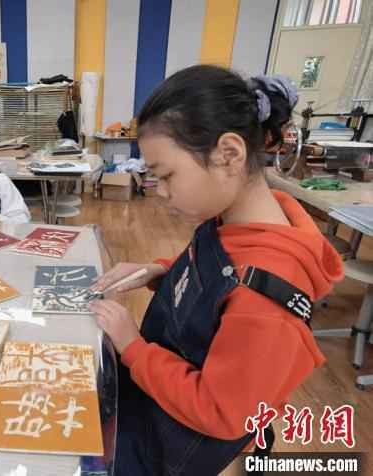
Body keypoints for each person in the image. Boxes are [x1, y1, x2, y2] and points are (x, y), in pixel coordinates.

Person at [88, 65, 344, 475]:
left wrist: (133, 347)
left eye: (167, 175)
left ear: (229, 154)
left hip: (171, 442)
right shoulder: (229, 220)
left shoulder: (267, 296)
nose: (163, 193)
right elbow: (214, 272)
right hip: (152, 397)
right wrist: (160, 271)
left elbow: (220, 412)